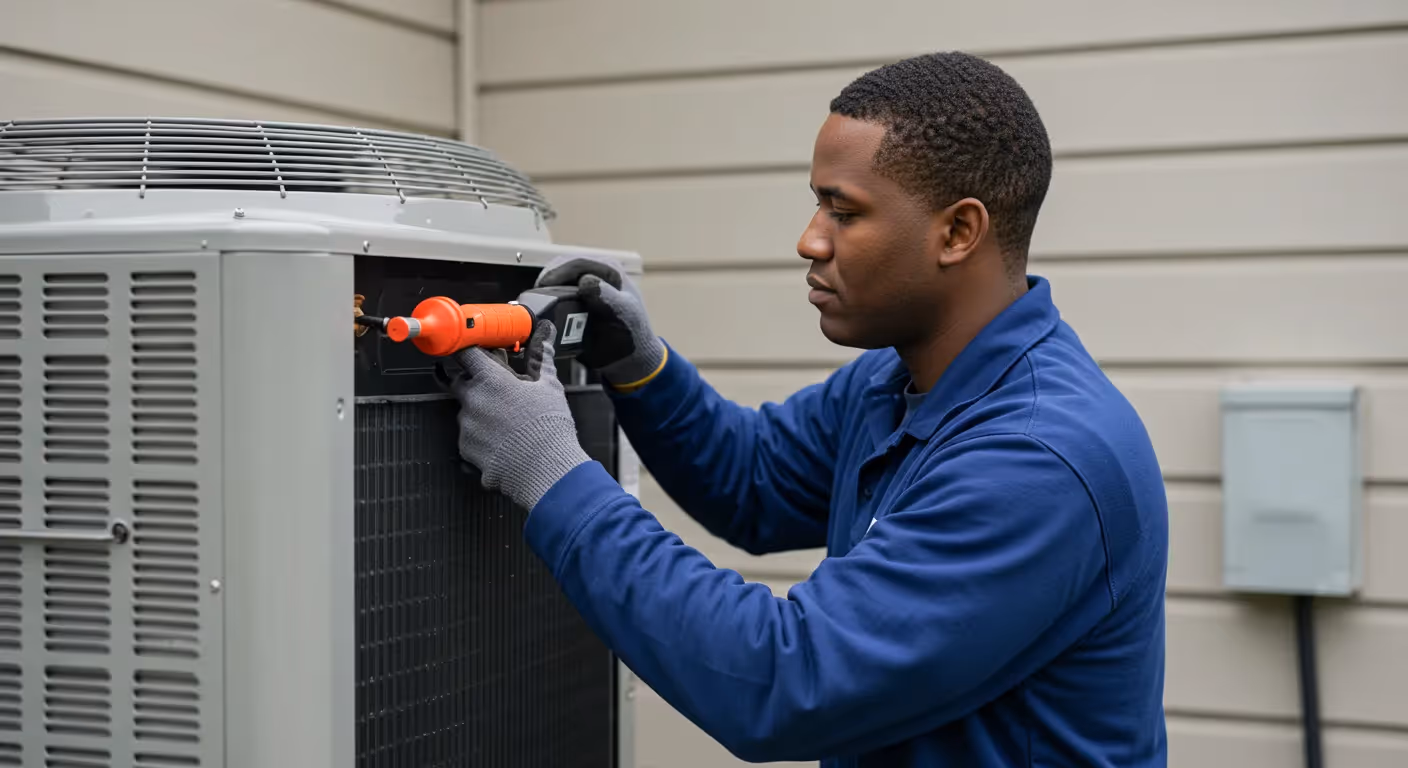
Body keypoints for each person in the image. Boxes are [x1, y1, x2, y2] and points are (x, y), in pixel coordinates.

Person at [444, 51, 1169, 767]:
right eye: (817, 202)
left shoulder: (1038, 459)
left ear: (957, 232)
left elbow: (788, 683)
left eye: (843, 211)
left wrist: (550, 472)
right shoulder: (896, 380)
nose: (809, 239)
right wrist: (641, 369)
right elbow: (753, 481)